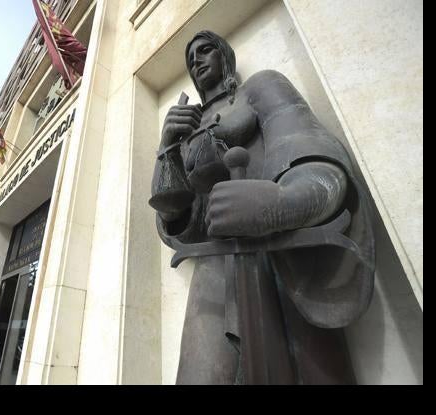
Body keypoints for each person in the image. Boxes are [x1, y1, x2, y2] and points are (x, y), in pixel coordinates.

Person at [149, 31, 375, 384]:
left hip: (281, 250)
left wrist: (280, 204)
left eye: (205, 50)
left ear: (225, 56)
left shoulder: (260, 87)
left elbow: (315, 157)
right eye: (190, 58)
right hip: (215, 262)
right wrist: (167, 149)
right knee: (200, 374)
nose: (195, 60)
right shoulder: (187, 128)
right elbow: (177, 220)